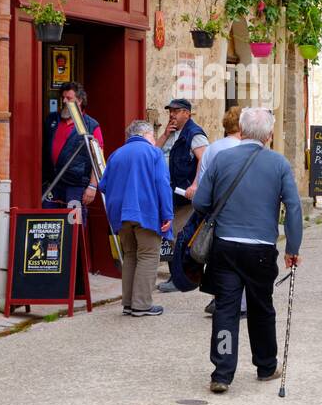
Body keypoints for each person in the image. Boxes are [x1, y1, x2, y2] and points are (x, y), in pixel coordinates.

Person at [192, 107, 302, 394]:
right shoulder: (278, 164)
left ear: (241, 130)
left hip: (225, 246)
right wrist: (293, 247)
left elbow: (201, 202)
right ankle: (266, 366)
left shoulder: (222, 159)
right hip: (262, 249)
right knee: (261, 307)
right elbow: (293, 207)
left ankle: (223, 373)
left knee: (226, 308)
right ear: (268, 135)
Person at [98, 120, 173, 318]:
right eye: (153, 136)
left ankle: (129, 303)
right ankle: (142, 305)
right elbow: (162, 184)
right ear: (147, 134)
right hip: (145, 211)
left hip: (120, 213)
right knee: (148, 255)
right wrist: (167, 213)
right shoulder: (154, 153)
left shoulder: (116, 154)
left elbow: (103, 185)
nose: (154, 140)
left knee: (130, 255)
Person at [197, 106, 245, 318]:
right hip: (239, 210)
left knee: (217, 257)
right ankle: (236, 301)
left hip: (215, 211)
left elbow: (202, 183)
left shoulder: (212, 148)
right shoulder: (244, 150)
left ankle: (219, 296)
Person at [158, 97, 208, 292]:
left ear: (187, 113)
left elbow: (204, 160)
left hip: (185, 197)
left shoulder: (194, 134)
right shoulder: (172, 134)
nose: (172, 114)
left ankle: (179, 278)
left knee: (179, 237)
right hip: (170, 195)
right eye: (170, 111)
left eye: (176, 111)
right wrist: (163, 135)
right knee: (171, 236)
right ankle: (178, 276)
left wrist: (195, 184)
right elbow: (153, 153)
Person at [43, 82, 102, 211]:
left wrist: (92, 186)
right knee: (49, 224)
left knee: (73, 224)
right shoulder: (52, 120)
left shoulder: (91, 125)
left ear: (79, 101)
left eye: (68, 98)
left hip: (75, 185)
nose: (64, 101)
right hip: (52, 182)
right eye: (63, 98)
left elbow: (97, 157)